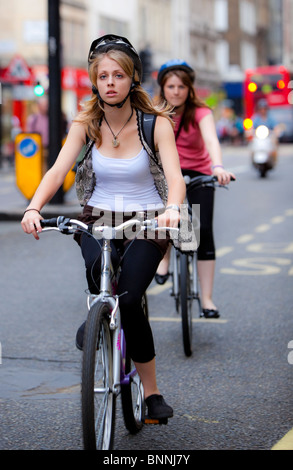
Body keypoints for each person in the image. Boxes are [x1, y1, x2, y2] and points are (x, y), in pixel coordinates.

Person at [21, 35, 186, 419]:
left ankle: (151, 394)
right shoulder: (86, 122)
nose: (110, 82)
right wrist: (33, 207)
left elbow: (175, 177)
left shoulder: (155, 122)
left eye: (119, 75)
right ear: (95, 82)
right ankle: (98, 309)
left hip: (149, 219)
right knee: (99, 272)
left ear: (132, 79)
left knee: (129, 299)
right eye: (103, 76)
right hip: (97, 217)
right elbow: (58, 169)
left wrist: (173, 209)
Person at [155, 59, 235, 319]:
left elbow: (211, 140)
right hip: (168, 172)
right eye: (171, 86)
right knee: (165, 220)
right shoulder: (154, 112)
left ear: (189, 89)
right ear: (163, 88)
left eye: (181, 86)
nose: (176, 91)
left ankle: (207, 299)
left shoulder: (201, 112)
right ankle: (164, 260)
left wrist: (218, 167)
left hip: (199, 172)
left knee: (204, 231)